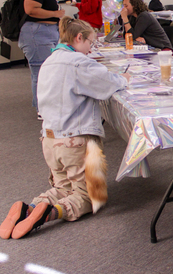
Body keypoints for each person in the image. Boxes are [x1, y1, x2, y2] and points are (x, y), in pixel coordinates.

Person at [0, 17, 129, 240]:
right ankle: (49, 213)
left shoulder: (48, 61)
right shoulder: (79, 62)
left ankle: (31, 207)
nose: (90, 49)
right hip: (76, 141)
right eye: (90, 43)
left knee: (63, 187)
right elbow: (109, 84)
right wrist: (124, 78)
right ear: (78, 38)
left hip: (49, 141)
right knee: (91, 197)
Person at [18, 0, 66, 119]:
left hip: (44, 33)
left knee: (46, 71)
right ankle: (43, 109)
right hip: (37, 34)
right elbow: (31, 10)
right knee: (41, 73)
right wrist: (55, 13)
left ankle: (47, 105)